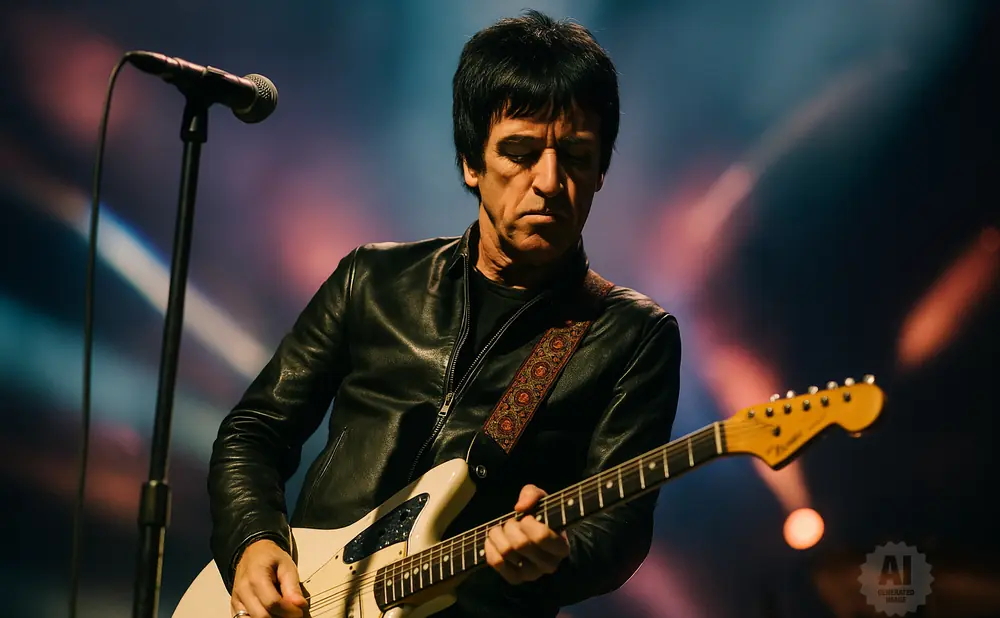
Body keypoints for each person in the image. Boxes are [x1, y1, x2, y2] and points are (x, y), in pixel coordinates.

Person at [208, 9, 681, 618]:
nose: (549, 181)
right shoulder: (372, 280)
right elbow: (255, 430)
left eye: (577, 157)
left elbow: (619, 530)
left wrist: (556, 554)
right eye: (519, 151)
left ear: (600, 173)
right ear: (471, 163)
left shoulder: (631, 336)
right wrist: (254, 542)